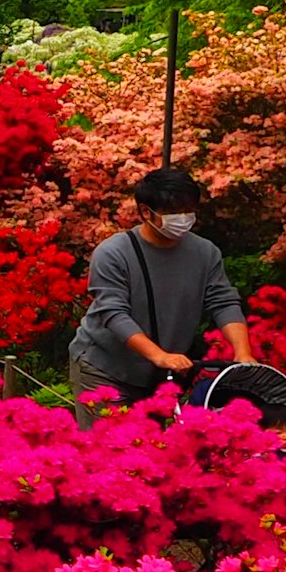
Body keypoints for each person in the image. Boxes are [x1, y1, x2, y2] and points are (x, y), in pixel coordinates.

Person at [70, 165, 251, 398]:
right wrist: (159, 355)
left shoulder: (205, 252)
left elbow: (223, 303)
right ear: (146, 212)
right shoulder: (113, 253)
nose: (184, 219)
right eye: (174, 212)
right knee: (112, 435)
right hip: (105, 370)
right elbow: (114, 313)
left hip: (160, 376)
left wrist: (243, 353)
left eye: (189, 211)